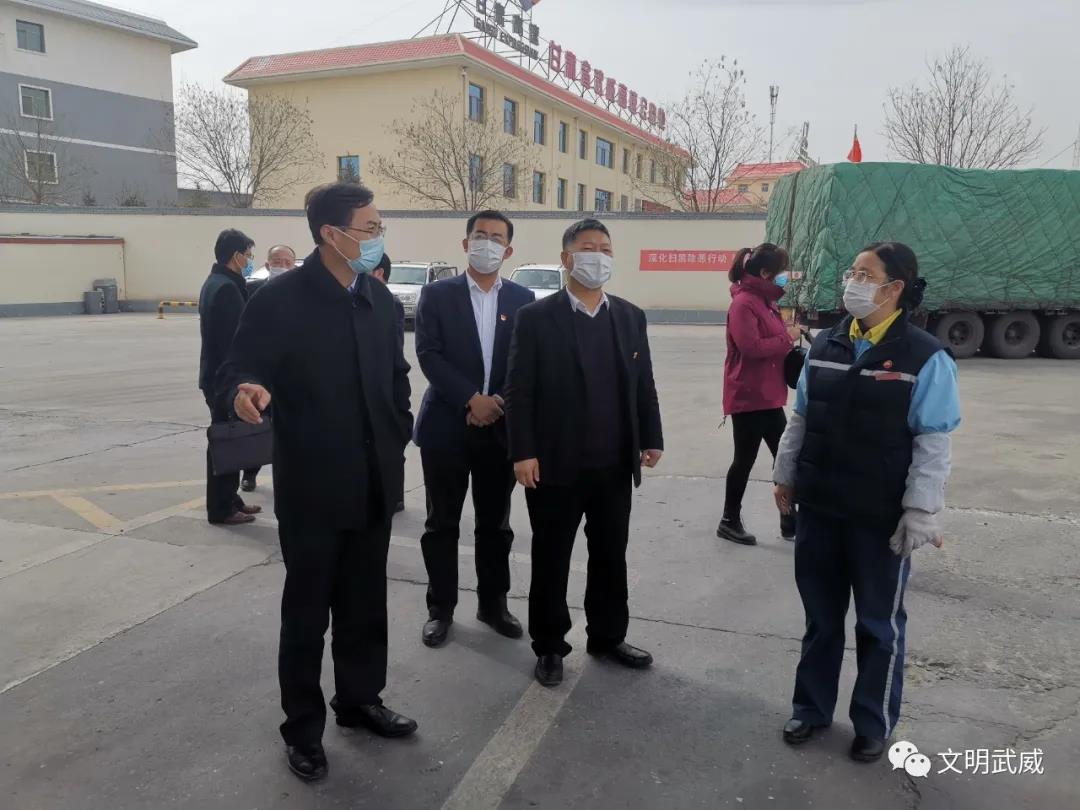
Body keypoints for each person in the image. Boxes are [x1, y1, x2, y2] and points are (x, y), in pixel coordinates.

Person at [217, 182, 417, 783]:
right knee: (306, 615)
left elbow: (398, 377)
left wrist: (398, 429)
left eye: (379, 226)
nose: (378, 237)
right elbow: (239, 366)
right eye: (369, 227)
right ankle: (302, 729)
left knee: (365, 603)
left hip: (374, 480)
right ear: (331, 234)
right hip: (312, 484)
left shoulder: (379, 301)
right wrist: (244, 390)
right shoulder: (279, 300)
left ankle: (360, 700)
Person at [772, 242, 960, 763]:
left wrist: (920, 511)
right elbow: (802, 416)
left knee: (878, 625)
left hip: (878, 516)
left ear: (894, 288)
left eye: (864, 274)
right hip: (821, 507)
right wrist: (786, 474)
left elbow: (933, 442)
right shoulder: (827, 344)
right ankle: (810, 709)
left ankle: (872, 722)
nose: (852, 282)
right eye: (852, 273)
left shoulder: (925, 357)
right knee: (821, 618)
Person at [505, 218, 664, 688]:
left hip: (613, 464)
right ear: (567, 258)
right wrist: (523, 451)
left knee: (611, 554)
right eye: (588, 247)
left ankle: (608, 636)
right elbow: (519, 390)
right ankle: (549, 645)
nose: (598, 256)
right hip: (555, 463)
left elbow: (644, 382)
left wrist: (651, 436)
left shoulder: (629, 316)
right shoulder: (536, 317)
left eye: (605, 249)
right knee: (551, 558)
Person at [413, 210, 535, 648]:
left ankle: (493, 604)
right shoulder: (436, 294)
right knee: (441, 523)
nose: (488, 243)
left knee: (495, 525)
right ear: (466, 244)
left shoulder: (522, 298)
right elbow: (428, 354)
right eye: (480, 235)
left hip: (499, 428)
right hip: (446, 426)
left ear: (508, 250)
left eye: (496, 238)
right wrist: (470, 398)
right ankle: (440, 609)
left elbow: (525, 362)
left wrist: (494, 402)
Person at [717, 243, 803, 545]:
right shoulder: (744, 303)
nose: (784, 277)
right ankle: (729, 520)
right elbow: (750, 347)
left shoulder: (765, 302)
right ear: (766, 273)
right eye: (781, 272)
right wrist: (787, 337)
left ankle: (789, 520)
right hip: (748, 396)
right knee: (745, 460)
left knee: (785, 458)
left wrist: (786, 333)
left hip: (768, 394)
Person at [197, 228, 262, 526]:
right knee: (226, 443)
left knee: (229, 440)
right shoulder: (226, 289)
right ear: (236, 256)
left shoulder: (216, 282)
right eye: (248, 255)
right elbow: (232, 343)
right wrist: (237, 385)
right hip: (224, 381)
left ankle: (231, 499)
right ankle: (221, 508)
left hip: (216, 376)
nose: (250, 260)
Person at [242, 244, 297, 493]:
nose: (282, 266)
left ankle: (289, 477)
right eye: (277, 262)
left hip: (291, 372)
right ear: (267, 265)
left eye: (287, 262)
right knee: (257, 422)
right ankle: (249, 473)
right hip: (262, 372)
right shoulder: (252, 291)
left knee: (289, 428)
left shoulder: (303, 295)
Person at [372, 251, 407, 514]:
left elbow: (394, 350)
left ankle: (394, 495)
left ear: (379, 273)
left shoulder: (388, 303)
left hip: (383, 386)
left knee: (389, 447)